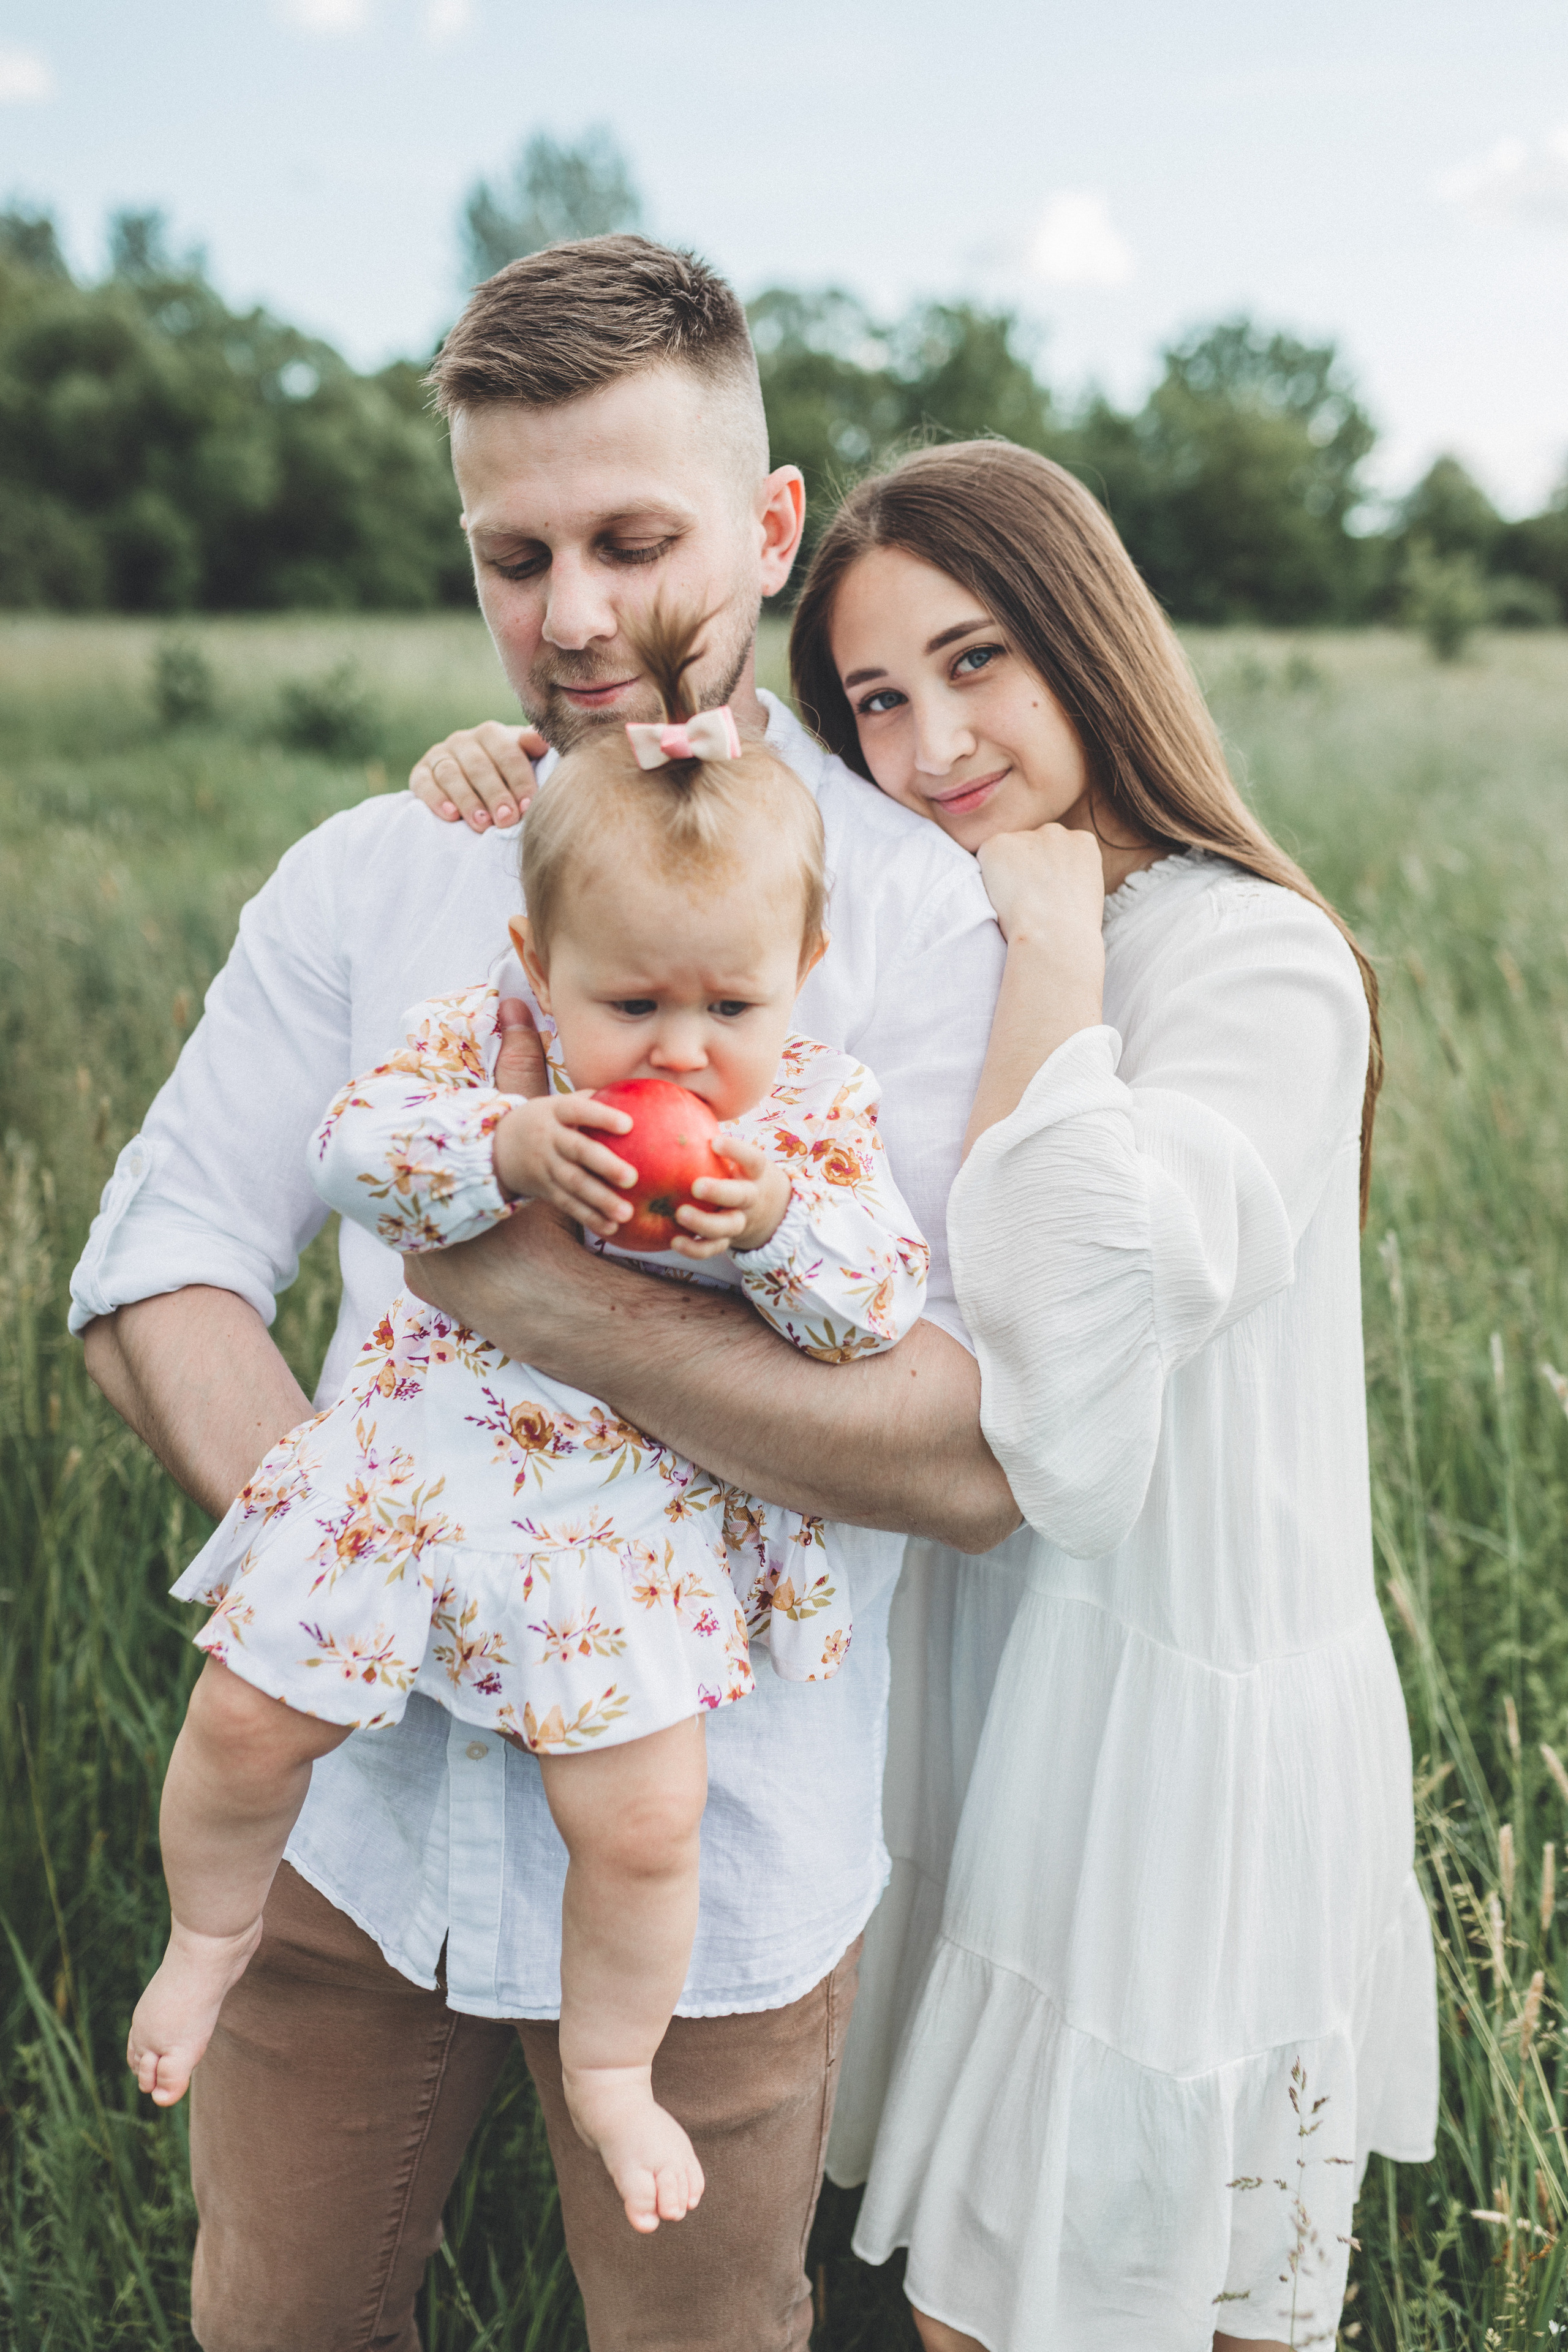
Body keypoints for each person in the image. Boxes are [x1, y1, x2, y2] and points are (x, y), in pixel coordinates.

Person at [72, 236, 1017, 2350]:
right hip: (345, 1821)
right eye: (517, 556)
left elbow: (965, 1447)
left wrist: (540, 1305)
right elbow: (160, 1265)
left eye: (633, 543)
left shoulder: (907, 914)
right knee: (275, 2323)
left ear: (770, 528)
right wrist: (375, 1571)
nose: (574, 615)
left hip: (722, 1852)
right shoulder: (374, 872)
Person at [126, 601, 932, 2238]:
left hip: (613, 1546)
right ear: (540, 966)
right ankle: (208, 1935)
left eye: (731, 1010)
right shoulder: (482, 1057)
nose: (682, 1054)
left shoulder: (811, 1122)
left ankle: (613, 2070)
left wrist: (772, 1225)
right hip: (408, 1483)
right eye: (632, 1005)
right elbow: (351, 1152)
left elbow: (877, 1305)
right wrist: (500, 1145)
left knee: (645, 1827)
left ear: (801, 981)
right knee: (246, 1722)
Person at [771, 440, 1435, 2351]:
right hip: (987, 1674)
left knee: (1122, 2295)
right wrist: (492, 779)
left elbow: (1063, 1343)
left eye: (975, 661)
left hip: (1176, 1717)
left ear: (1086, 638)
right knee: (971, 2290)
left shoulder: (1254, 961)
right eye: (877, 699)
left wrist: (1057, 949)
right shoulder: (928, 937)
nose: (932, 744)